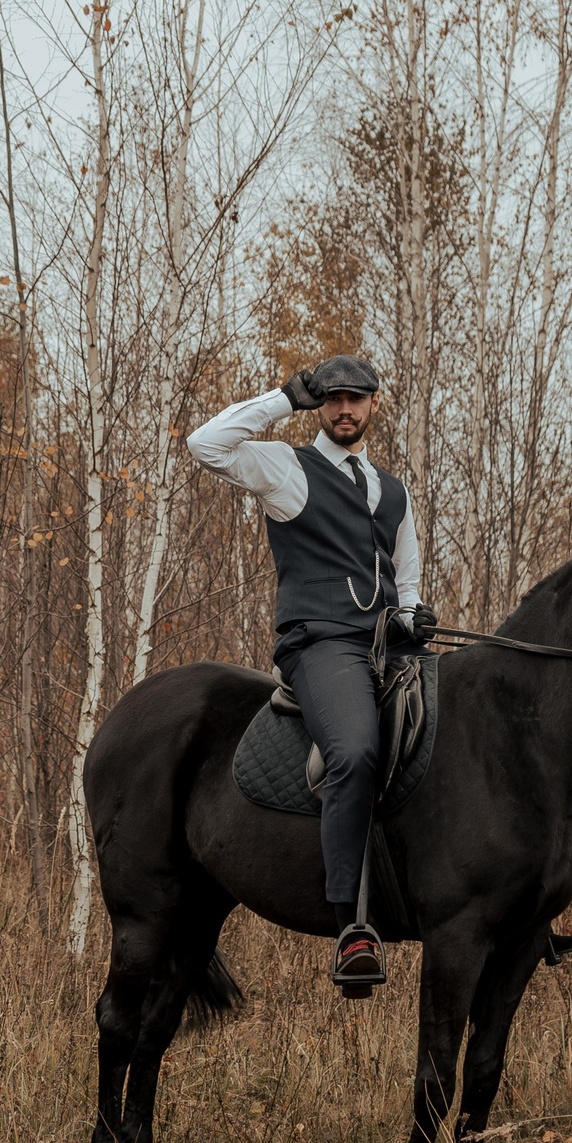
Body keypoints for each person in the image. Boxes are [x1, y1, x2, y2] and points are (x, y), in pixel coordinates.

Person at [186, 355, 434, 988]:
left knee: (462, 723)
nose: (345, 409)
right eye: (332, 399)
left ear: (375, 404)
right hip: (321, 645)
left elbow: (403, 576)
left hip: (386, 647)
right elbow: (204, 445)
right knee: (352, 751)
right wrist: (279, 399)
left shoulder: (394, 489)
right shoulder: (287, 469)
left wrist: (410, 615)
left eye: (356, 399)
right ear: (321, 405)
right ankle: (352, 927)